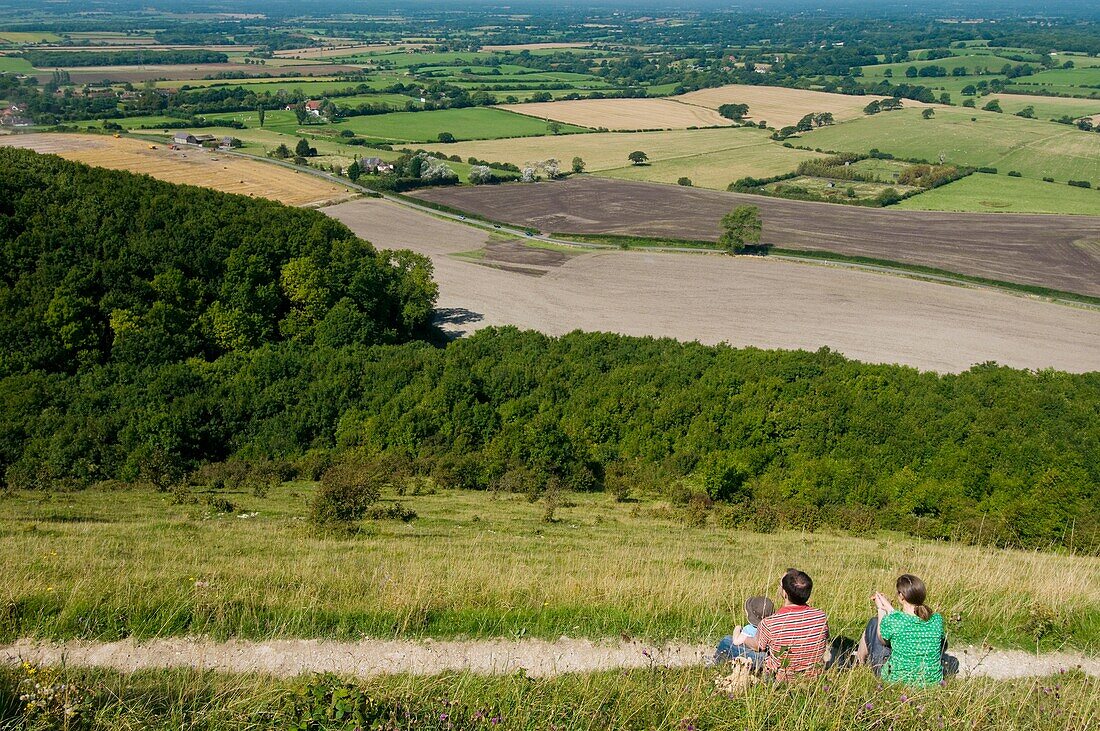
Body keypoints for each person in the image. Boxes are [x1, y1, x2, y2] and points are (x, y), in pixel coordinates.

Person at [854, 574, 945, 687]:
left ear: (901, 596)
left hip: (897, 681)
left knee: (873, 623)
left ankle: (859, 663)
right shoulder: (936, 619)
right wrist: (888, 606)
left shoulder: (895, 620)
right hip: (933, 683)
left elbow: (882, 638)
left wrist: (881, 609)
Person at [741, 568, 829, 681]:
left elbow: (756, 646)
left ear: (785, 593)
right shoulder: (821, 616)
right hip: (813, 676)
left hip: (780, 678)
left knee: (727, 642)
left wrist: (743, 637)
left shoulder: (769, 623)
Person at [714, 596, 775, 669]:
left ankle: (718, 661)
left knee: (726, 640)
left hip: (754, 659)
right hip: (767, 658)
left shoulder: (748, 629)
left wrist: (737, 629)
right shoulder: (771, 629)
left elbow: (736, 641)